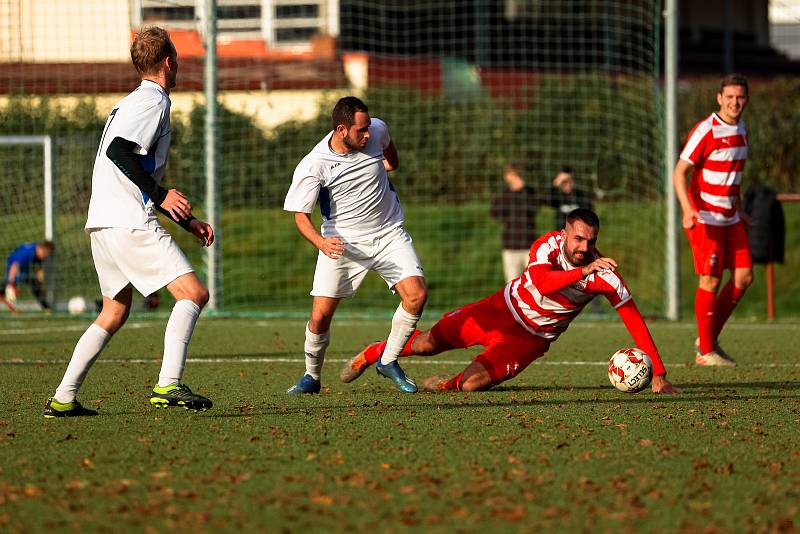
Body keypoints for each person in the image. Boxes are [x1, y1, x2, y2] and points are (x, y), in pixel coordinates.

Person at [44, 26, 215, 418]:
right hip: (126, 219)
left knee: (114, 310)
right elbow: (121, 152)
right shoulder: (153, 101)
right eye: (177, 57)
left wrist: (184, 219)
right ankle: (168, 384)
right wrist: (159, 196)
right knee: (193, 294)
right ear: (169, 61)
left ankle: (64, 396)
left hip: (103, 220)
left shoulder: (131, 102)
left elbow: (131, 167)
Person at [341, 209, 677, 394]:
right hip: (498, 310)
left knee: (470, 386)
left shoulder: (606, 275)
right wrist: (583, 271)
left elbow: (633, 318)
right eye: (578, 239)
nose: (584, 247)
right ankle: (375, 351)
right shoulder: (546, 246)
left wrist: (659, 373)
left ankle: (443, 383)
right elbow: (544, 284)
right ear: (564, 235)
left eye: (591, 241)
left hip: (529, 340)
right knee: (428, 343)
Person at [284, 96, 427, 394]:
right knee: (320, 316)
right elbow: (300, 217)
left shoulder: (376, 130)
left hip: (389, 233)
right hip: (343, 243)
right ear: (340, 129)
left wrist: (391, 163)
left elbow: (389, 150)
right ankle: (311, 376)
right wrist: (321, 243)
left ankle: (388, 360)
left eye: (368, 128)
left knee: (417, 296)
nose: (368, 134)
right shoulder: (315, 164)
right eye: (361, 130)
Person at [672, 73, 753, 367]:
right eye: (729, 97)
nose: (735, 102)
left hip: (730, 216)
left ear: (746, 99)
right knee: (711, 277)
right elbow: (679, 172)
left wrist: (740, 208)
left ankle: (707, 339)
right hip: (705, 216)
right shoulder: (706, 130)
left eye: (740, 97)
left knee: (744, 277)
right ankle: (705, 351)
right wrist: (686, 209)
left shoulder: (742, 129)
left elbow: (735, 176)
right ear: (719, 98)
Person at [490, 163, 541, 282]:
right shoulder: (504, 195)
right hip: (510, 245)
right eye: (511, 174)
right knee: (512, 285)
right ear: (506, 177)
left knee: (534, 283)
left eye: (517, 174)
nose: (515, 177)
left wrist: (523, 191)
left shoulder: (530, 192)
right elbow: (494, 213)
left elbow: (534, 210)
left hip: (529, 245)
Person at [2, 240, 55, 312]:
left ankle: (45, 307)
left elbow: (40, 271)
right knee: (11, 287)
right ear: (40, 248)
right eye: (45, 254)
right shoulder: (27, 253)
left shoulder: (39, 254)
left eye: (47, 255)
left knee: (35, 284)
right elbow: (14, 266)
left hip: (24, 266)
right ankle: (10, 306)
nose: (45, 256)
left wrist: (42, 286)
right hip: (13, 265)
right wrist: (11, 283)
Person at [549, 166, 592, 230]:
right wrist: (555, 184)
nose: (568, 184)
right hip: (562, 234)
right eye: (564, 182)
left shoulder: (581, 196)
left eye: (570, 180)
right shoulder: (558, 197)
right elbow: (549, 201)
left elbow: (589, 214)